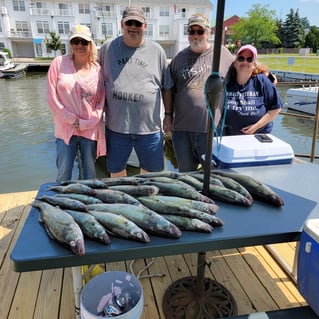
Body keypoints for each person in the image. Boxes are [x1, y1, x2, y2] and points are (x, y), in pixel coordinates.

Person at [99, 6, 173, 177]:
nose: (133, 26)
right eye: (129, 23)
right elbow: (92, 77)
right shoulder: (107, 48)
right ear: (122, 24)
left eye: (137, 23)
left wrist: (168, 115)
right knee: (116, 174)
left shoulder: (157, 51)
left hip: (149, 128)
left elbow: (167, 86)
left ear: (144, 26)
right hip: (116, 127)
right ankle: (121, 201)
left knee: (151, 176)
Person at [169, 13, 233, 172]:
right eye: (192, 31)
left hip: (210, 131)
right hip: (182, 131)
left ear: (208, 32)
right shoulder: (179, 58)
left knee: (214, 176)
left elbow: (244, 68)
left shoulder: (223, 54)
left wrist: (265, 74)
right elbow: (169, 89)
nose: (196, 35)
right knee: (186, 175)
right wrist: (168, 116)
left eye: (200, 31)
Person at [47, 25, 106, 182]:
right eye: (75, 41)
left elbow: (101, 101)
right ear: (70, 44)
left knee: (90, 173)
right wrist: (71, 119)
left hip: (90, 129)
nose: (79, 45)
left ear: (90, 44)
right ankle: (60, 203)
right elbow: (52, 97)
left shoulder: (97, 69)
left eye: (84, 42)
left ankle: (87, 204)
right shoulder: (58, 63)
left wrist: (88, 123)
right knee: (64, 172)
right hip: (65, 129)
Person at [223, 44, 282, 135]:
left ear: (254, 65)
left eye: (249, 59)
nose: (245, 62)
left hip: (258, 136)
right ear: (235, 63)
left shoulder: (262, 81)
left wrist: (255, 127)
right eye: (241, 58)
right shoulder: (227, 81)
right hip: (229, 137)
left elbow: (276, 108)